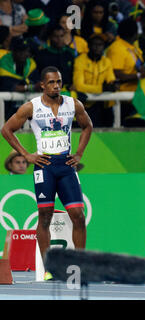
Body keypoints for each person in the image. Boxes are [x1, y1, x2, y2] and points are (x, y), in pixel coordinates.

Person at [1, 66, 93, 281]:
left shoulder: (72, 104)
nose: (56, 86)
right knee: (44, 217)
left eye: (59, 81)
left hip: (66, 166)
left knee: (78, 216)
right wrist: (26, 155)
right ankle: (49, 268)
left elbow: (87, 126)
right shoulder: (31, 107)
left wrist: (79, 153)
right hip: (44, 167)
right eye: (51, 82)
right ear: (42, 84)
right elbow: (6, 129)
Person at [73, 33, 118, 127]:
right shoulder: (80, 60)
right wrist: (102, 88)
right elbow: (79, 86)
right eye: (95, 44)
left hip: (102, 105)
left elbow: (110, 80)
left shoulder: (107, 62)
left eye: (100, 45)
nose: (97, 47)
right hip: (85, 105)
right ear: (89, 46)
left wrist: (113, 85)